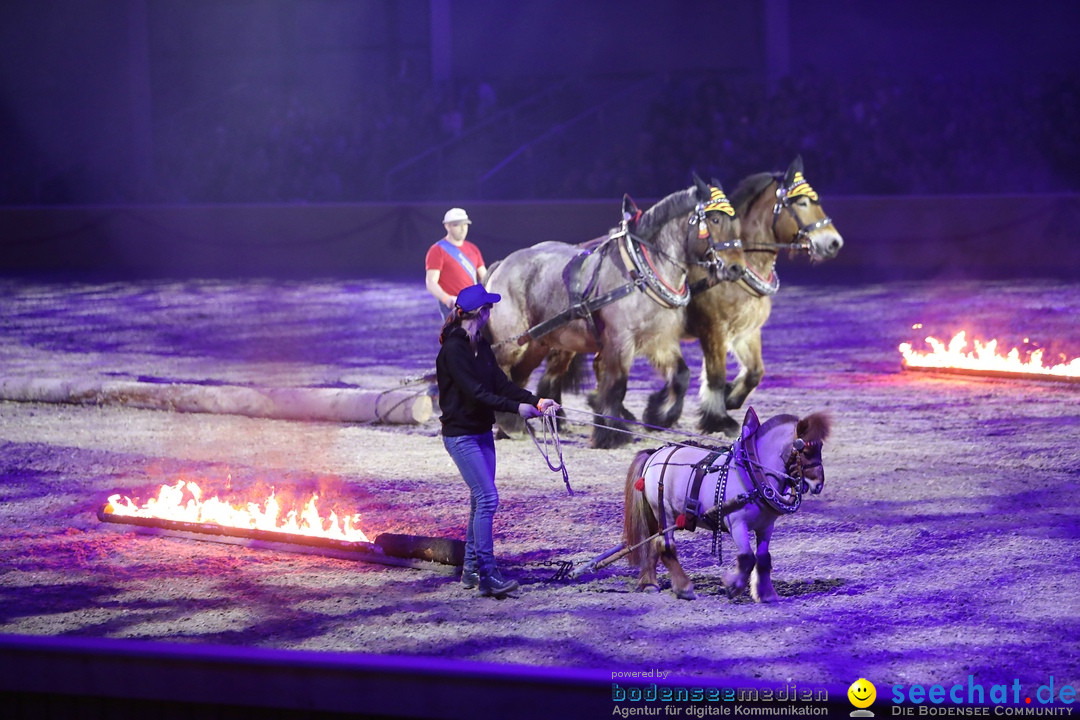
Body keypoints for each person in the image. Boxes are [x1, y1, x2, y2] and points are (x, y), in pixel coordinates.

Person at [436, 284, 560, 597]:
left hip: (481, 433)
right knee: (488, 498)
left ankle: (471, 571)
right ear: (480, 313)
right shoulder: (454, 349)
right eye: (489, 307)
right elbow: (475, 392)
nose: (493, 312)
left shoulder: (482, 346)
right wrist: (516, 409)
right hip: (461, 437)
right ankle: (488, 575)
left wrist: (537, 400)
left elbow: (501, 385)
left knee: (480, 500)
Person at [425, 208, 487, 319]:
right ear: (447, 226)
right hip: (453, 306)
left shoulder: (473, 249)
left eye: (465, 224)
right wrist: (447, 299)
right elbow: (431, 282)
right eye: (457, 225)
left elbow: (485, 277)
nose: (463, 229)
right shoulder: (437, 250)